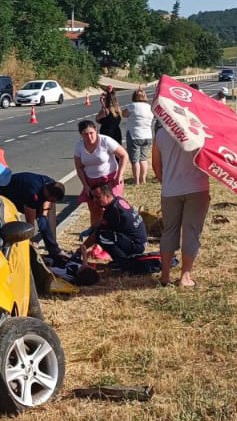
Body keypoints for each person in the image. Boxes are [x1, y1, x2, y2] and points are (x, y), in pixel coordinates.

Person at [152, 125, 210, 288]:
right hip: (197, 187)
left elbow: (156, 165)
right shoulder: (198, 130)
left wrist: (166, 183)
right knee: (191, 231)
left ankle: (165, 275)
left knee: (169, 231)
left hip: (170, 190)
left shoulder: (161, 133)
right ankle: (185, 277)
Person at [0, 172, 66, 262]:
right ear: (48, 193)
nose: (51, 202)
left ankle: (54, 250)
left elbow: (47, 202)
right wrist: (30, 240)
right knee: (15, 223)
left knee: (42, 220)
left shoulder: (51, 183)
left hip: (25, 191)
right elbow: (30, 223)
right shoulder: (32, 194)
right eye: (52, 199)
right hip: (4, 193)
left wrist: (43, 213)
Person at [74, 119, 129, 227]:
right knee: (95, 210)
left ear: (96, 130)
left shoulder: (105, 141)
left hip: (110, 179)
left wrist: (120, 174)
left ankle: (115, 231)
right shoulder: (79, 146)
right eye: (85, 134)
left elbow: (123, 155)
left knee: (112, 208)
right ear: (81, 135)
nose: (89, 137)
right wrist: (85, 185)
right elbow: (79, 167)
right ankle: (96, 234)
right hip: (92, 182)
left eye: (91, 133)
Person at [80, 184, 147, 263]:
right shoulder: (118, 200)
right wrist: (91, 228)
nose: (94, 200)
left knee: (101, 236)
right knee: (105, 234)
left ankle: (122, 261)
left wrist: (80, 250)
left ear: (107, 196)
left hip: (136, 246)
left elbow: (96, 234)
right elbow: (101, 223)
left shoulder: (113, 212)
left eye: (97, 197)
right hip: (140, 242)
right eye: (93, 197)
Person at [121, 87, 153, 185]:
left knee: (135, 160)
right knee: (143, 159)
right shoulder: (149, 107)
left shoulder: (132, 106)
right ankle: (143, 179)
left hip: (134, 134)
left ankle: (136, 181)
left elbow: (124, 114)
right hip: (147, 135)